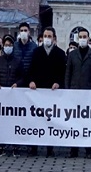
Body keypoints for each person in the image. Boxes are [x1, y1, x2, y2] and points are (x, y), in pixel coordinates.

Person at [28, 27, 66, 157]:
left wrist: (59, 83)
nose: (47, 38)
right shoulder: (36, 52)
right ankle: (33, 147)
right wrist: (31, 81)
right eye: (45, 36)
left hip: (53, 91)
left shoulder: (61, 54)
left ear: (54, 38)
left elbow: (63, 73)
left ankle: (50, 147)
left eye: (49, 36)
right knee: (36, 119)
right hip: (38, 91)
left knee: (51, 120)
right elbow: (30, 70)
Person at [65, 28, 91, 159]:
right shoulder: (72, 55)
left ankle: (88, 149)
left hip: (89, 92)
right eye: (81, 36)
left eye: (85, 36)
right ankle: (73, 149)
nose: (83, 39)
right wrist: (68, 89)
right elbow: (68, 73)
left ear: (89, 39)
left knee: (87, 123)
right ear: (78, 38)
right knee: (74, 123)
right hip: (74, 92)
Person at [0, 35, 25, 157]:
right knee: (2, 122)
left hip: (14, 96)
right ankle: (1, 146)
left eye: (10, 45)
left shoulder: (18, 61)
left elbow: (23, 77)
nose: (8, 47)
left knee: (14, 121)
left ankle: (15, 146)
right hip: (1, 96)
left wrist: (17, 84)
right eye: (6, 45)